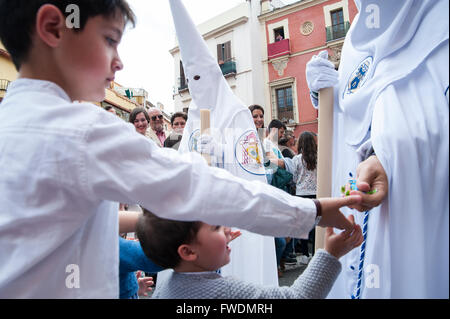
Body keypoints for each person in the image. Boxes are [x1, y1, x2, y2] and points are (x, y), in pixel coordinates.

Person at [0, 0, 362, 298]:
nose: (119, 61)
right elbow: (197, 187)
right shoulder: (82, 130)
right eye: (110, 40)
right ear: (52, 28)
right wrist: (314, 211)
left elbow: (74, 218)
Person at [305, 0, 448, 298]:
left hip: (420, 223)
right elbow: (357, 122)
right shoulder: (358, 36)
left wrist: (392, 158)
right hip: (361, 221)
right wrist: (328, 100)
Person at [136, 210, 363, 299]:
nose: (226, 228)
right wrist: (330, 254)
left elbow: (196, 281)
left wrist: (211, 250)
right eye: (216, 227)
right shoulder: (228, 293)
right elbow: (299, 298)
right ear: (188, 252)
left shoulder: (166, 286)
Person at [292, 131, 318, 263]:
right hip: (316, 194)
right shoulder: (318, 158)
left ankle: (304, 255)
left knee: (303, 225)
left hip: (301, 194)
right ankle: (315, 252)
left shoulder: (297, 159)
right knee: (316, 225)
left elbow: (294, 177)